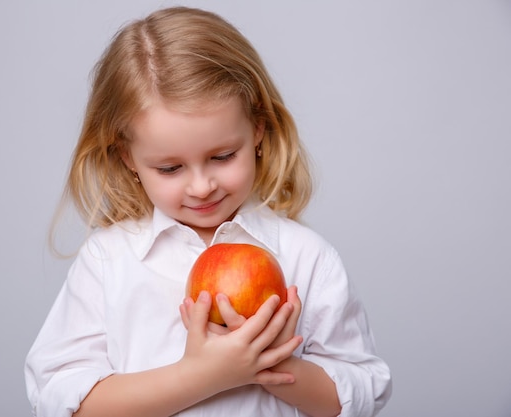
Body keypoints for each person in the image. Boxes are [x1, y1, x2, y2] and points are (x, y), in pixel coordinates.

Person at [24, 6, 392, 417]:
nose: (202, 186)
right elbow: (59, 399)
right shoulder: (108, 260)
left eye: (222, 156)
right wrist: (202, 376)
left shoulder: (306, 257)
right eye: (170, 167)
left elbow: (361, 393)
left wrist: (269, 361)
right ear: (127, 156)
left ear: (258, 128)